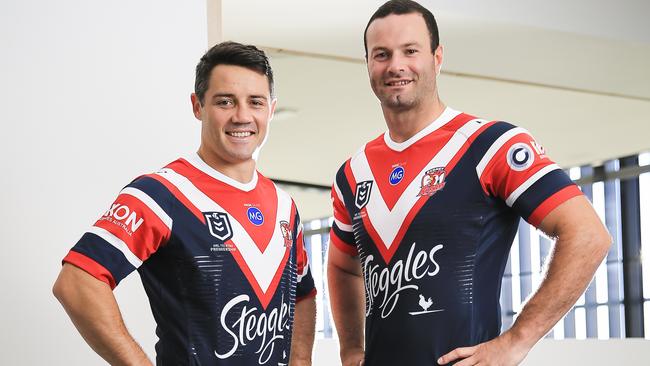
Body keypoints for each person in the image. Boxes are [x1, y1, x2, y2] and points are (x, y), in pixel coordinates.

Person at [326, 1, 611, 365]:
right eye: (381, 54)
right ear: (367, 63)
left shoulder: (490, 144)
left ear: (437, 57)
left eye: (410, 51)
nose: (395, 65)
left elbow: (588, 235)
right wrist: (351, 349)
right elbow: (343, 266)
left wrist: (517, 340)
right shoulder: (352, 174)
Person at [53, 41, 316, 366]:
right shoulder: (160, 194)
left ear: (271, 110)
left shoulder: (285, 206)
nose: (242, 116)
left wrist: (301, 361)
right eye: (225, 101)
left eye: (255, 102)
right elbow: (78, 281)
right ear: (198, 106)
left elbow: (302, 293)